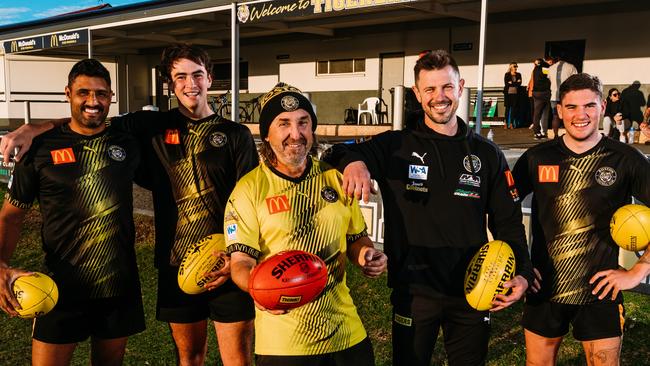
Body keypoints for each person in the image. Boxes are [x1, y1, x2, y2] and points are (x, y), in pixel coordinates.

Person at [0, 44, 257, 366]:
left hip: (217, 263)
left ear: (209, 79)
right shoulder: (148, 128)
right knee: (189, 358)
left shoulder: (233, 134)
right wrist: (34, 127)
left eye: (197, 75)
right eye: (181, 76)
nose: (190, 84)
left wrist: (240, 255)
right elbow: (88, 118)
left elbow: (250, 199)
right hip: (163, 267)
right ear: (170, 83)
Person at [324, 49, 534, 366]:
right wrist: (354, 162)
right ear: (417, 94)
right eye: (431, 89)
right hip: (414, 290)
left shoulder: (486, 154)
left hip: (474, 288)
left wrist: (523, 272)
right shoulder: (396, 145)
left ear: (460, 87)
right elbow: (333, 151)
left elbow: (508, 223)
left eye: (447, 87)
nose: (440, 97)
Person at [225, 82, 388, 365]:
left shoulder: (336, 179)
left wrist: (366, 255)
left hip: (347, 334)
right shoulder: (248, 189)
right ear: (266, 133)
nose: (295, 134)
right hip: (285, 344)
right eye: (283, 124)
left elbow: (356, 238)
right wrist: (257, 287)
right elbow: (240, 261)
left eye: (303, 123)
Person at [0, 59, 144, 365]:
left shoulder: (127, 141)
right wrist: (0, 265)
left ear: (111, 96)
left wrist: (35, 124)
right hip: (58, 285)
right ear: (68, 93)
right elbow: (11, 216)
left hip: (117, 284)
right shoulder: (38, 149)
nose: (93, 101)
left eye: (101, 94)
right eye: (84, 93)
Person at [512, 73, 650, 366]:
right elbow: (503, 211)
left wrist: (640, 270)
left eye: (589, 105)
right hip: (544, 286)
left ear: (602, 106)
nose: (580, 115)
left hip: (601, 290)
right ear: (559, 110)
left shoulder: (626, 159)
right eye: (571, 107)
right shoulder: (537, 157)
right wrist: (521, 265)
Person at [548, 55, 578, 138]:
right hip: (567, 96)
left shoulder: (551, 68)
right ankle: (569, 135)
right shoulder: (571, 67)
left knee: (555, 116)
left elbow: (549, 79)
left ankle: (555, 135)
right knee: (569, 115)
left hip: (554, 96)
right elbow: (575, 80)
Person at [531, 56, 552, 139]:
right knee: (545, 113)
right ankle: (543, 131)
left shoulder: (535, 69)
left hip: (535, 92)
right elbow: (549, 77)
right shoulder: (545, 68)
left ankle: (537, 131)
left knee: (537, 113)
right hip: (544, 92)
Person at [503, 62, 522, 129]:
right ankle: (505, 123)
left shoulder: (518, 74)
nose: (516, 68)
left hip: (515, 93)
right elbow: (506, 84)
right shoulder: (507, 74)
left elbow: (519, 84)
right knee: (507, 108)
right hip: (508, 93)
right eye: (514, 66)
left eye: (516, 66)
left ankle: (511, 123)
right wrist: (516, 82)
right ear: (511, 67)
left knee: (513, 109)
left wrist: (512, 83)